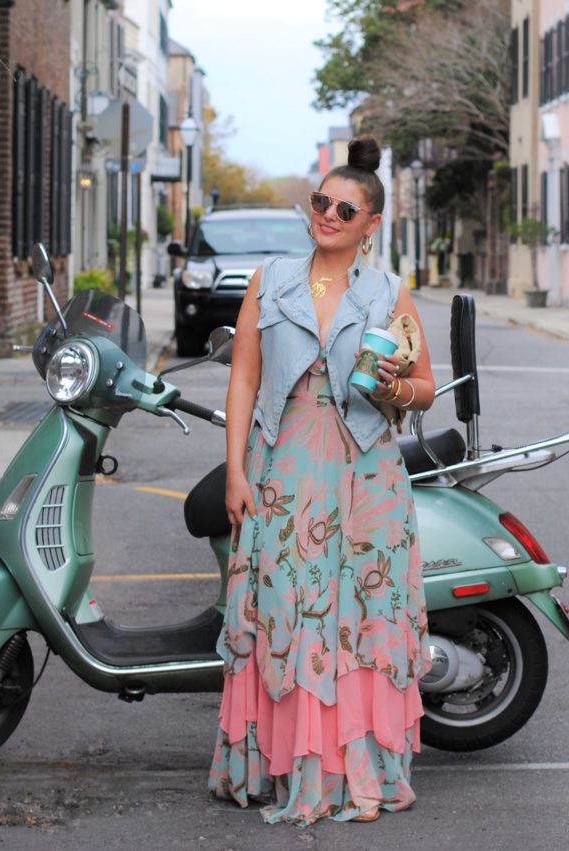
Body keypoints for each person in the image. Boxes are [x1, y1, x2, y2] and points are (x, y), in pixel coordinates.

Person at [208, 137, 435, 826]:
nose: (328, 214)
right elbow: (244, 375)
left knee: (359, 617)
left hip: (367, 468)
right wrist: (237, 470)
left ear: (371, 223)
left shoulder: (388, 290)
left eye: (345, 207)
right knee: (285, 612)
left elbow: (425, 388)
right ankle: (284, 767)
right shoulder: (269, 279)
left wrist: (400, 383)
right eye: (320, 202)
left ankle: (358, 769)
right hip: (286, 465)